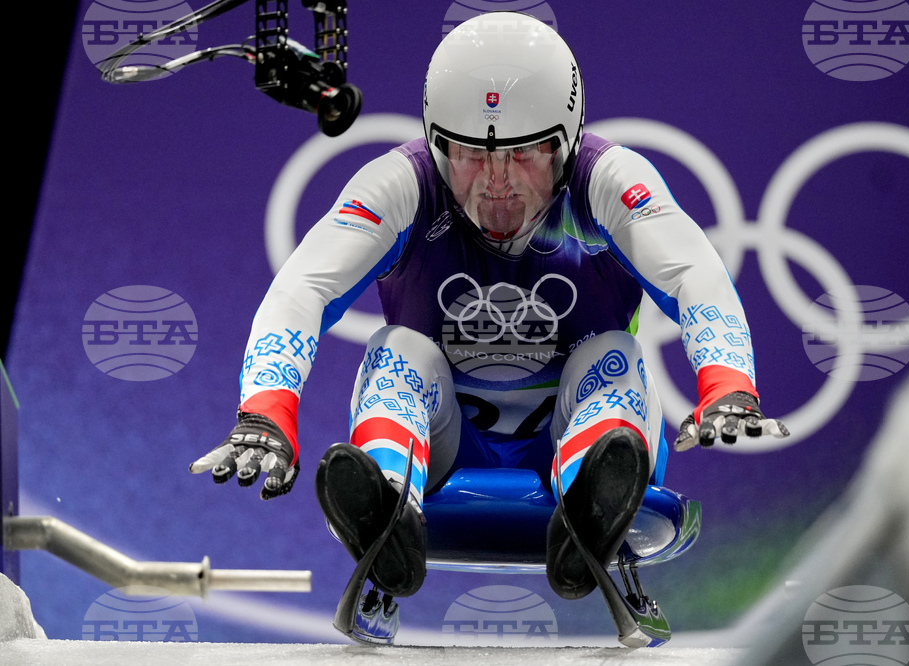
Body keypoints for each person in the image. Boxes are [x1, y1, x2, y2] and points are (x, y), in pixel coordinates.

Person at [190, 12, 787, 603]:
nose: (496, 183)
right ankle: (389, 506)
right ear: (436, 141)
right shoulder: (399, 183)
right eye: (471, 154)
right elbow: (301, 287)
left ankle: (589, 506)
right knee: (398, 349)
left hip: (576, 430)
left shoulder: (609, 178)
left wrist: (729, 387)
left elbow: (694, 273)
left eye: (524, 153)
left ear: (567, 140)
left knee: (613, 352)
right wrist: (265, 414)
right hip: (444, 443)